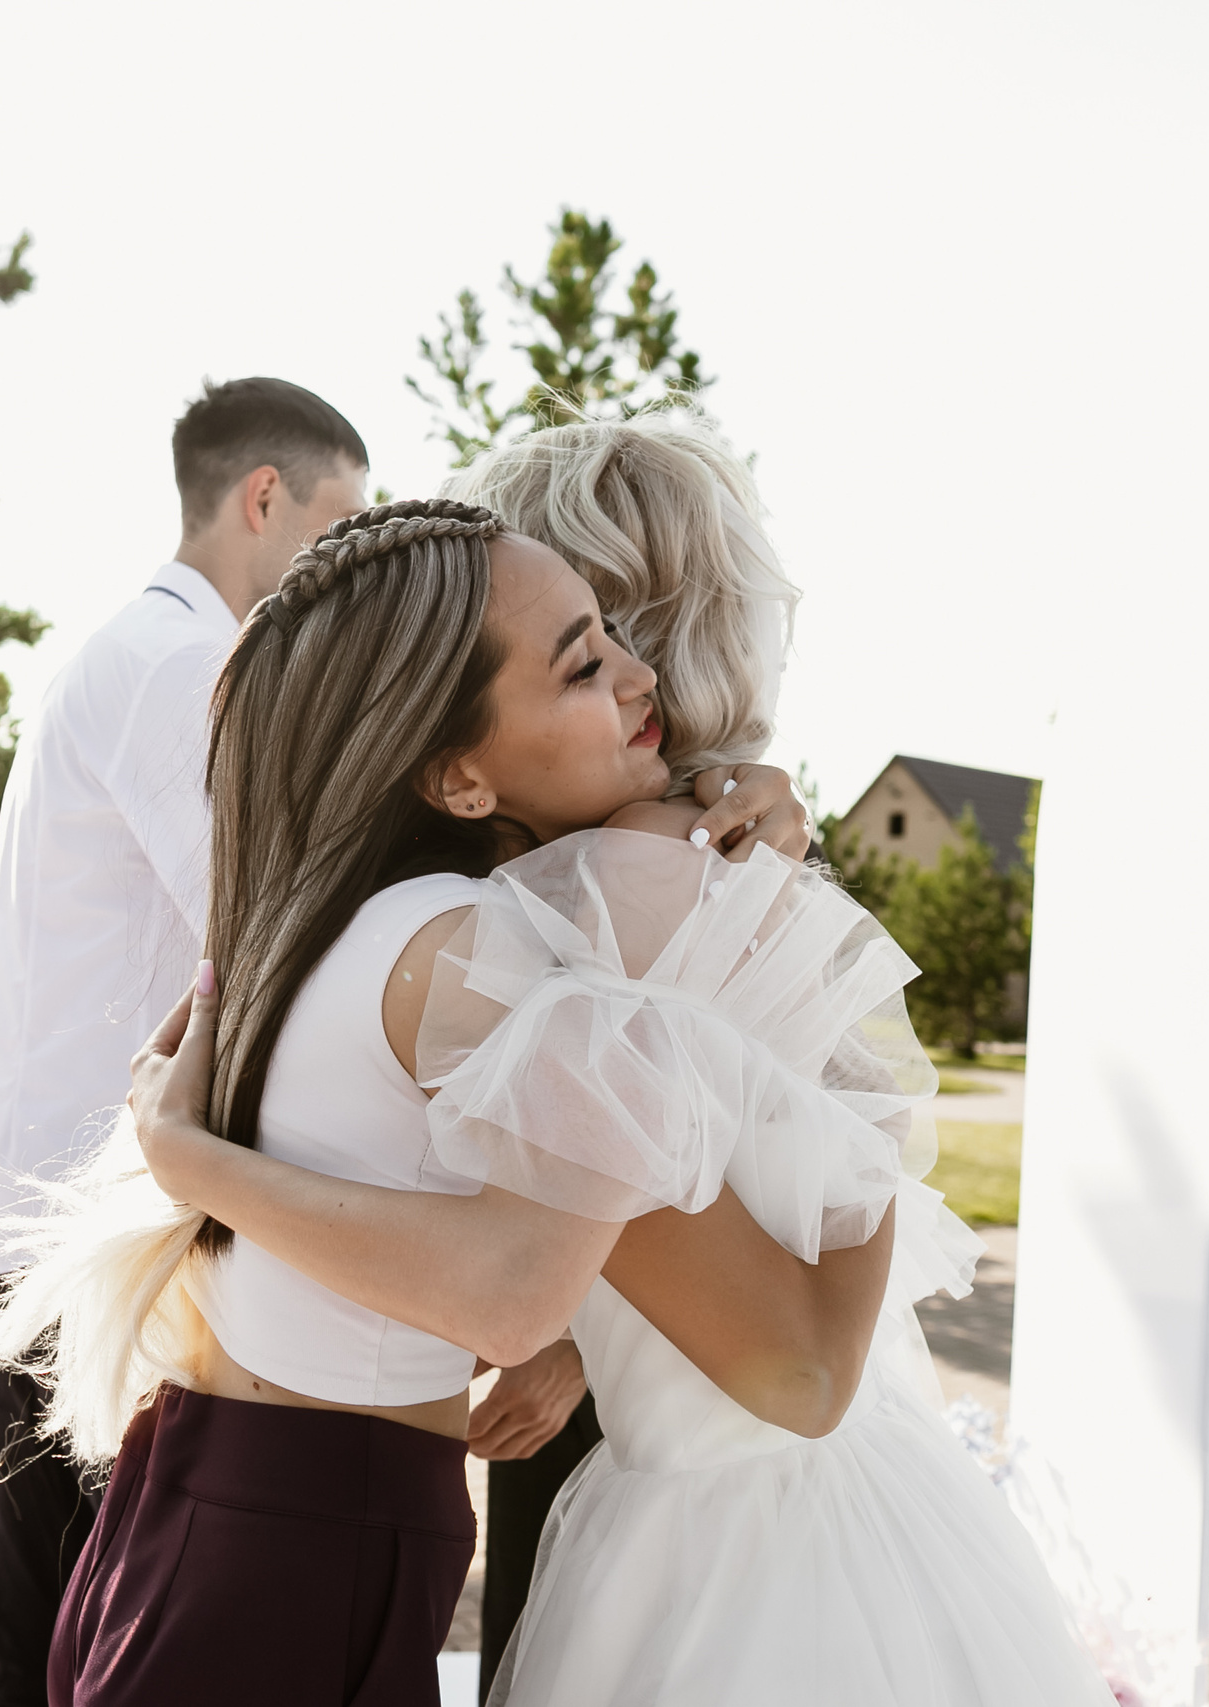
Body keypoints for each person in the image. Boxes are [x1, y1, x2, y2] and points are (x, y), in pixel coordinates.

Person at [0, 501, 1109, 1705]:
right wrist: (189, 1162)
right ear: (457, 775)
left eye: (619, 635)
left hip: (217, 1514)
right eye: (582, 662)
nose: (638, 680)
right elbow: (536, 1298)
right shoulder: (480, 954)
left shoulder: (355, 922)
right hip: (294, 1555)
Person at [0, 377, 371, 1706]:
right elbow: (267, 926)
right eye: (340, 524)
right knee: (72, 1635)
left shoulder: (123, 652)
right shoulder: (187, 664)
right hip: (91, 1229)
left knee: (60, 1622)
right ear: (263, 498)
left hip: (51, 1203)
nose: (348, 570)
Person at [436, 409, 798, 1693]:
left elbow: (750, 1173)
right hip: (614, 1390)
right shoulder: (692, 827)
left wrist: (578, 1333)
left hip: (654, 1415)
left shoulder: (695, 847)